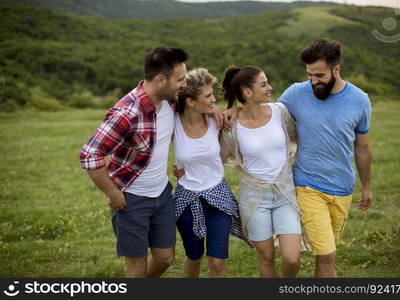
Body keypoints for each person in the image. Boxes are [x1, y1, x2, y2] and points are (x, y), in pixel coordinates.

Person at [80, 46, 193, 278]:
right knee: (137, 266)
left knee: (165, 258)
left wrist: (223, 113)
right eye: (180, 79)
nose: (184, 84)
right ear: (161, 80)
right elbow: (90, 154)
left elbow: (201, 101)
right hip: (131, 200)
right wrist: (112, 193)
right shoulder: (127, 113)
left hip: (162, 194)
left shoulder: (171, 101)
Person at [276, 38, 373, 277]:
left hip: (342, 189)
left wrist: (367, 187)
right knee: (327, 254)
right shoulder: (296, 93)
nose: (313, 81)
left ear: (336, 69)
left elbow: (362, 148)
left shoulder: (360, 100)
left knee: (326, 254)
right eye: (309, 75)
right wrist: (233, 110)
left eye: (319, 75)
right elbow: (264, 115)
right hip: (308, 186)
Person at [220, 66, 304, 278]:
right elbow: (218, 159)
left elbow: (298, 138)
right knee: (266, 257)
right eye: (264, 84)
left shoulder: (280, 112)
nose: (270, 88)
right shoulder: (232, 126)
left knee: (292, 258)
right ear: (247, 92)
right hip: (254, 198)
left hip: (284, 192)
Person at [172, 68, 247, 278]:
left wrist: (223, 111)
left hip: (217, 195)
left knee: (217, 260)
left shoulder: (217, 120)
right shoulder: (173, 122)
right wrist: (173, 169)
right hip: (186, 197)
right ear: (190, 102)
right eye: (208, 96)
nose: (214, 100)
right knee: (193, 257)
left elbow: (246, 111)